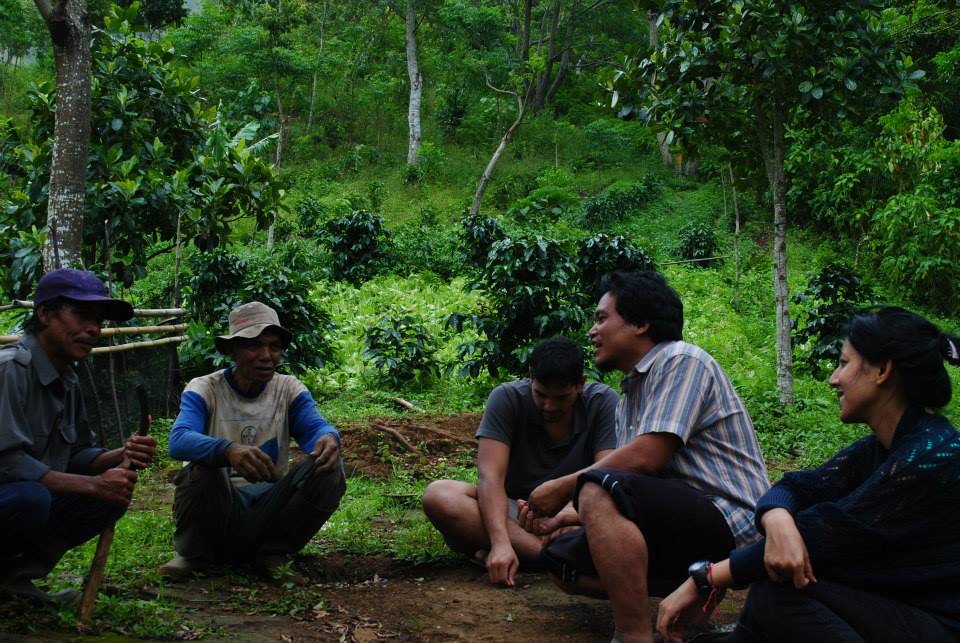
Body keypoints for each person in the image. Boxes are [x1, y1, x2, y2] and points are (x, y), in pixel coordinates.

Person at [657, 307, 960, 643]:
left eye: (844, 364)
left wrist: (707, 577)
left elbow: (826, 535)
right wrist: (777, 520)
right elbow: (796, 485)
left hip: (939, 625)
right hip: (898, 610)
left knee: (779, 593)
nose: (834, 378)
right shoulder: (883, 446)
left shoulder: (932, 454)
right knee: (774, 587)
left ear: (882, 370)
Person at [519, 271, 769, 643]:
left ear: (640, 324)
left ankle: (634, 635)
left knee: (596, 486)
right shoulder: (630, 398)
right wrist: (558, 518)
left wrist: (563, 487)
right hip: (683, 515)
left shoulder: (682, 360)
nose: (592, 331)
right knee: (562, 562)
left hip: (730, 518)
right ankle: (693, 596)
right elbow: (637, 484)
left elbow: (646, 460)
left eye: (602, 318)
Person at [0, 268, 157, 603]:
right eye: (82, 315)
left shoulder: (67, 379)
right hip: (14, 496)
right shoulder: (10, 370)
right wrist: (92, 484)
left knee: (106, 500)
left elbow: (76, 454)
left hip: (23, 496)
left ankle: (15, 581)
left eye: (98, 320)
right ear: (44, 313)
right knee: (31, 498)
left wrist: (119, 455)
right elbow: (7, 464)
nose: (93, 329)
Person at [159, 301, 345, 580]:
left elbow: (314, 427)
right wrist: (227, 450)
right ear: (232, 350)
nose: (266, 355)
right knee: (204, 467)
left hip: (270, 506)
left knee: (329, 467)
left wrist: (329, 438)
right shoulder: (205, 388)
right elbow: (179, 440)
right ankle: (195, 554)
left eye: (273, 346)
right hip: (218, 506)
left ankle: (273, 552)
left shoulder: (288, 389)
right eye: (254, 345)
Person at [421, 336, 618, 586]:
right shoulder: (506, 398)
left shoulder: (603, 402)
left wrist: (568, 514)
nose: (548, 406)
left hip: (577, 513)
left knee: (613, 517)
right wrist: (501, 541)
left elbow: (608, 472)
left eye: (561, 398)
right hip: (514, 513)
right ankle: (552, 556)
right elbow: (490, 477)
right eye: (541, 394)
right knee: (440, 495)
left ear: (580, 384)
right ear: (530, 377)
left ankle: (530, 553)